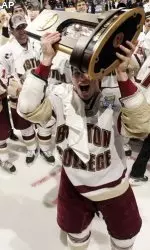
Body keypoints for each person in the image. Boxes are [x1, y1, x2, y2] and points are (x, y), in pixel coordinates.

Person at [17, 32, 150, 249]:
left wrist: (123, 76)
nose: (83, 78)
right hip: (74, 184)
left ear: (98, 74)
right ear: (70, 75)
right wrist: (45, 61)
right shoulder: (61, 95)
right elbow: (26, 108)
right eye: (77, 73)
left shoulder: (112, 96)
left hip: (112, 185)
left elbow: (143, 126)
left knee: (125, 240)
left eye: (88, 72)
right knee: (76, 239)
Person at [0, 14, 55, 173]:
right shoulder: (5, 50)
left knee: (45, 123)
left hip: (42, 93)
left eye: (24, 26)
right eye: (18, 28)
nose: (22, 30)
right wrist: (15, 87)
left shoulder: (38, 44)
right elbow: (3, 75)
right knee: (24, 127)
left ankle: (44, 148)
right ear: (11, 30)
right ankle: (32, 149)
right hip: (20, 96)